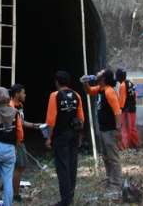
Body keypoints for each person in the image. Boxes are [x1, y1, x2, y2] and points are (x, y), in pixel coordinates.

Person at [45, 71, 85, 206]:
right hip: (73, 135)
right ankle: (71, 197)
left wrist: (49, 138)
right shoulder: (77, 95)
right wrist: (80, 136)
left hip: (60, 136)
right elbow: (81, 119)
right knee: (72, 165)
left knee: (62, 167)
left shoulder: (54, 96)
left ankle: (65, 201)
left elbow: (51, 120)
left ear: (57, 82)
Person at [81, 69, 123, 194]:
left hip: (110, 130)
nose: (98, 72)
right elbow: (88, 91)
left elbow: (117, 112)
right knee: (106, 157)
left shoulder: (109, 91)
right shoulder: (100, 89)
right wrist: (85, 82)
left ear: (103, 78)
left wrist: (118, 130)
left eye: (101, 72)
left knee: (113, 158)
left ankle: (116, 185)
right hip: (104, 130)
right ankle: (110, 181)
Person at [9, 84, 40, 202]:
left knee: (18, 166)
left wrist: (34, 125)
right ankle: (15, 195)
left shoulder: (19, 106)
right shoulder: (11, 107)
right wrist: (15, 144)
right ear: (17, 94)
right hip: (16, 142)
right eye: (23, 92)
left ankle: (8, 187)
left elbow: (21, 122)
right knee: (19, 166)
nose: (25, 95)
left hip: (20, 140)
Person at [116, 69, 140, 150]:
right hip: (133, 109)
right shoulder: (131, 83)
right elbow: (135, 96)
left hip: (126, 110)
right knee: (132, 128)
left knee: (124, 129)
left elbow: (122, 101)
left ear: (120, 77)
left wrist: (119, 110)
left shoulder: (122, 85)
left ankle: (124, 147)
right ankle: (135, 145)